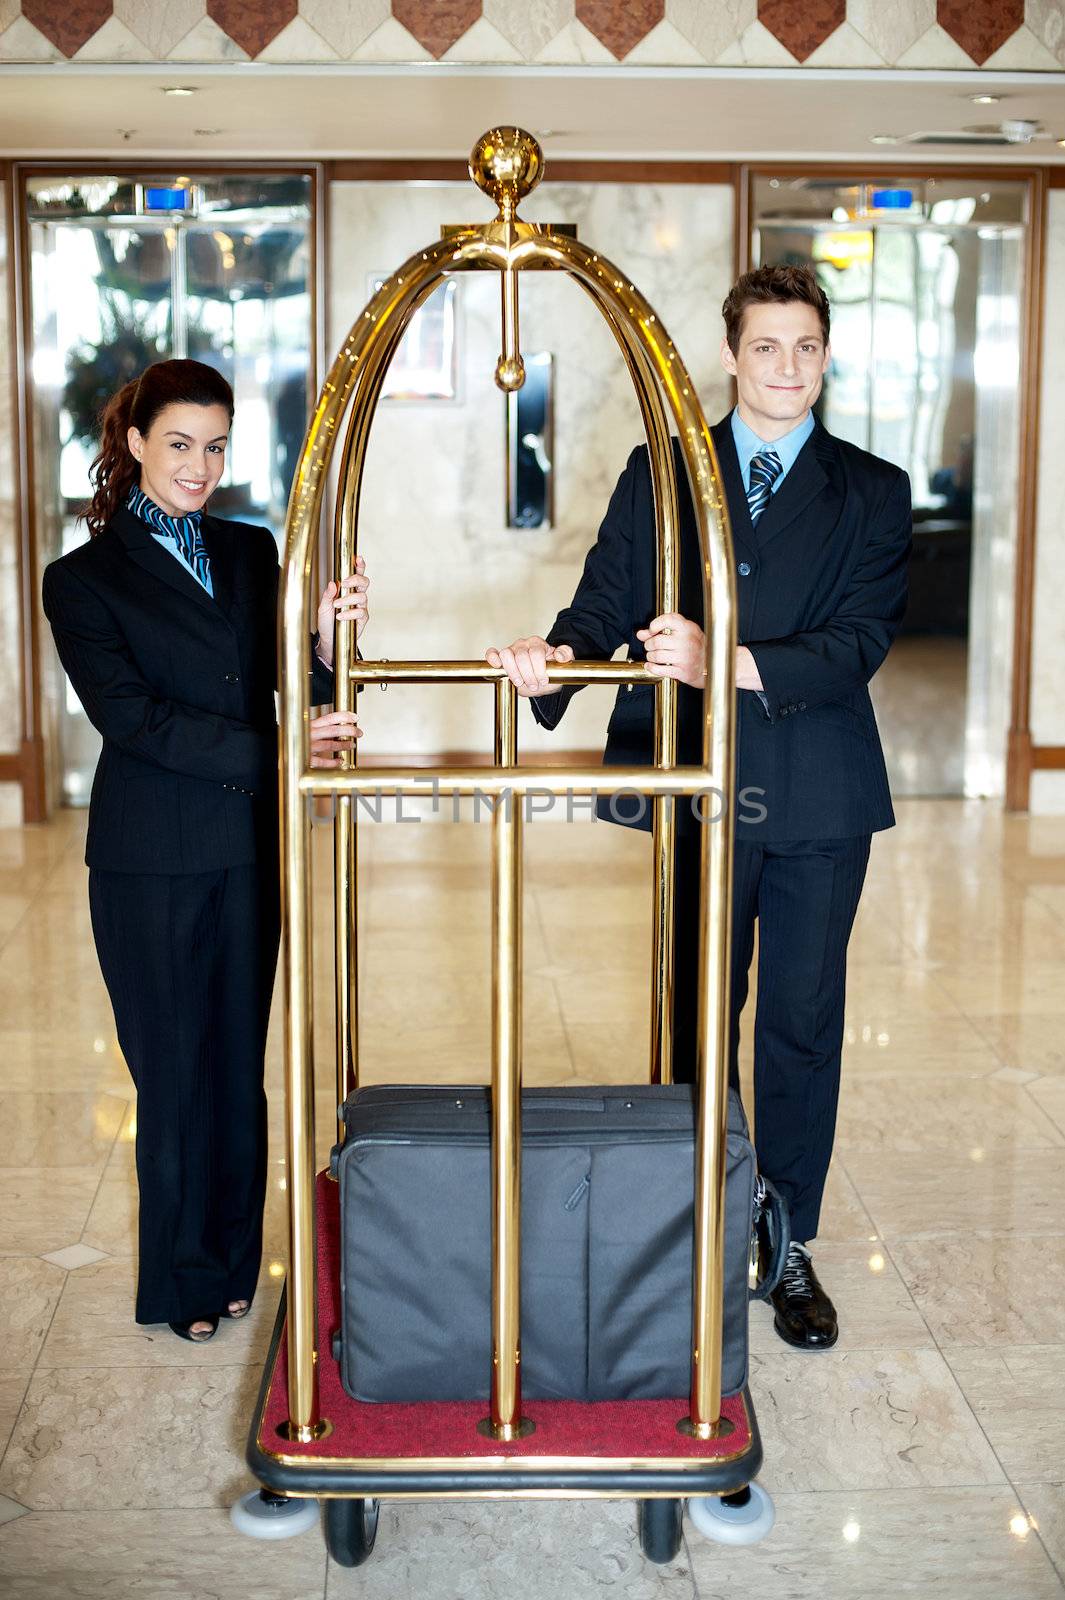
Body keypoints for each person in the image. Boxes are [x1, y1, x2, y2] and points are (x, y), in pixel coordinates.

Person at [486, 265, 911, 1351]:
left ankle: (788, 1237)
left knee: (802, 1024)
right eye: (765, 347)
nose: (786, 368)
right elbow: (600, 605)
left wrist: (725, 657)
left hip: (817, 792)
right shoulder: (664, 472)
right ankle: (696, 1219)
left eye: (805, 347)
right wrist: (555, 662)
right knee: (694, 1011)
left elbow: (856, 644)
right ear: (730, 355)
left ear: (826, 354)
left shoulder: (873, 488)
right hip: (698, 790)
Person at [42, 358, 369, 1343]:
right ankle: (179, 1282)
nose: (199, 465)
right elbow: (135, 722)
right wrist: (279, 746)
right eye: (179, 443)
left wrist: (317, 645)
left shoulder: (248, 548)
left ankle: (232, 1262)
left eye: (216, 445)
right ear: (136, 442)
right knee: (175, 1075)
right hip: (148, 863)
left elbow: (281, 691)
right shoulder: (82, 579)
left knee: (236, 1067)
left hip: (244, 850)